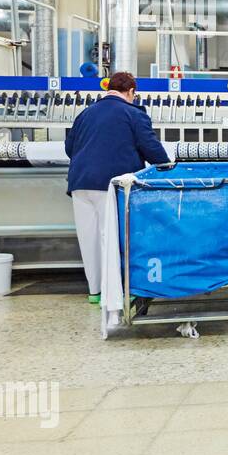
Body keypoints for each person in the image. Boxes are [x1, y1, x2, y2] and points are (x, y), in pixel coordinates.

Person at [64, 72, 171, 304]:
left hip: (80, 184)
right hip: (111, 185)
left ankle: (95, 292)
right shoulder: (133, 113)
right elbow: (150, 146)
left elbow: (69, 147)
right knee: (115, 238)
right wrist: (166, 166)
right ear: (131, 91)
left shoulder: (85, 113)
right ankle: (118, 293)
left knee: (89, 238)